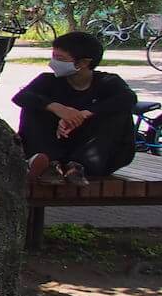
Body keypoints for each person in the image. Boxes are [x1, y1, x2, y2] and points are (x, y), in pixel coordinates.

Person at [14, 31, 137, 184]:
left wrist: (84, 114)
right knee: (34, 106)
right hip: (55, 146)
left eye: (60, 59)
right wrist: (58, 109)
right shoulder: (47, 81)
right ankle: (48, 164)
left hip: (94, 154)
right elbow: (21, 97)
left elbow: (128, 98)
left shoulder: (109, 82)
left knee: (118, 112)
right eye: (53, 57)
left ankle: (77, 167)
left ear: (83, 63)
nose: (53, 63)